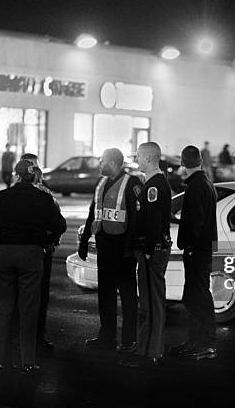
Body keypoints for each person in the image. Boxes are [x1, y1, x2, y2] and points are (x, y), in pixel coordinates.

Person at [0, 159, 66, 375]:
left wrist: (2, 242)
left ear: (16, 176)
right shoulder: (43, 199)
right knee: (29, 309)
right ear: (34, 177)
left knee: (4, 308)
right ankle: (27, 360)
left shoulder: (0, 197)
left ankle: (0, 359)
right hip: (31, 254)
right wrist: (44, 238)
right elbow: (60, 225)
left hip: (4, 254)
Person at [78, 148, 142, 352]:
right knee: (105, 294)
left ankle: (129, 340)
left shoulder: (132, 184)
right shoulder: (101, 184)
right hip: (105, 246)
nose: (99, 164)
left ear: (113, 163)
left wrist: (130, 247)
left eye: (102, 161)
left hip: (123, 249)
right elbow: (93, 213)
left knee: (128, 295)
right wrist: (85, 239)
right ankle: (106, 336)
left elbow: (136, 219)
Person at [121, 142, 172, 367]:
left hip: (153, 251)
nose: (137, 160)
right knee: (149, 301)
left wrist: (149, 251)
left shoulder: (154, 185)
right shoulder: (153, 183)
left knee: (151, 303)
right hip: (152, 249)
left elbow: (154, 221)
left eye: (139, 156)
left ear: (149, 158)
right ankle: (146, 349)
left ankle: (150, 352)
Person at [169, 145, 218, 360]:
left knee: (197, 297)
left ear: (182, 162)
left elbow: (195, 222)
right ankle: (196, 341)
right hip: (203, 249)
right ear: (200, 160)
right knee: (196, 296)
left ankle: (203, 343)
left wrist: (188, 246)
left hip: (196, 251)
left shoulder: (196, 186)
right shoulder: (205, 183)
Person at [20, 153, 61, 350]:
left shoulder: (47, 193)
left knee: (41, 295)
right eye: (29, 166)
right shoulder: (35, 194)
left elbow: (57, 222)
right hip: (31, 250)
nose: (34, 171)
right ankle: (25, 338)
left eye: (35, 166)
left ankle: (37, 336)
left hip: (42, 250)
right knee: (24, 296)